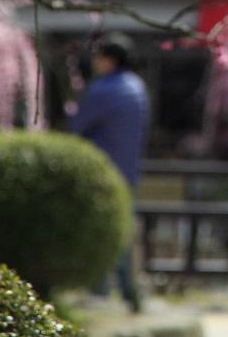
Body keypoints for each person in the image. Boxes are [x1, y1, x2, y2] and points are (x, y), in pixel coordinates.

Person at [69, 34, 150, 312]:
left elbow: (77, 127)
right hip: (128, 171)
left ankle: (99, 291)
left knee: (99, 230)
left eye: (99, 56)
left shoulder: (102, 90)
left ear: (110, 59)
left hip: (101, 171)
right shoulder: (137, 88)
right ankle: (131, 292)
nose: (95, 62)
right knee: (124, 231)